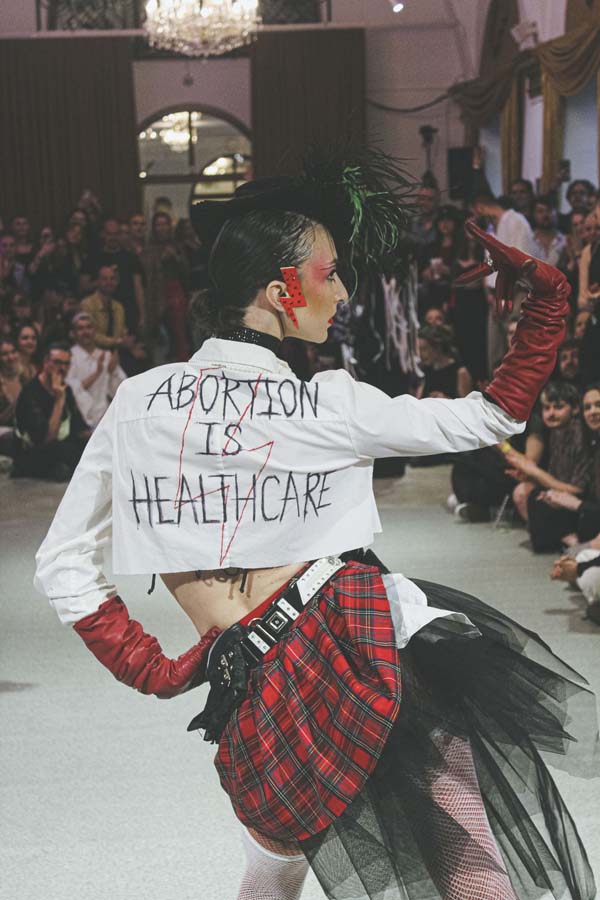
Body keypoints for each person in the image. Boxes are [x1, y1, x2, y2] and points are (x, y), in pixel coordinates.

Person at [34, 155, 597, 900]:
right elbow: (492, 414)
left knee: (274, 874)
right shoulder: (328, 402)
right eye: (329, 274)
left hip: (252, 688)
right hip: (362, 653)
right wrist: (547, 306)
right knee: (465, 871)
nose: (343, 292)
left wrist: (152, 667)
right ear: (280, 291)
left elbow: (62, 562)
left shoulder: (137, 403)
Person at [506, 381, 593, 551]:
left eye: (558, 407)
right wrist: (530, 476)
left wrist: (535, 473)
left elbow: (578, 490)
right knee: (523, 491)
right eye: (546, 408)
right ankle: (557, 537)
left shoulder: (580, 436)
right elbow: (554, 478)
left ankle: (568, 539)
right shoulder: (556, 432)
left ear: (575, 409)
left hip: (583, 501)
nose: (551, 413)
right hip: (563, 492)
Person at [14, 342, 90, 480]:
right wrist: (59, 400)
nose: (62, 368)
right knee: (61, 453)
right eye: (57, 362)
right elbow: (47, 438)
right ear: (46, 362)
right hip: (35, 452)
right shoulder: (30, 392)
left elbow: (80, 427)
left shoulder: (66, 389)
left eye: (66, 364)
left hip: (63, 447)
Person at [66, 311, 126, 429]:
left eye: (89, 327)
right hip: (79, 421)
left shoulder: (106, 355)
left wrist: (112, 372)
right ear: (73, 333)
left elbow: (121, 390)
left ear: (95, 331)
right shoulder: (69, 357)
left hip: (105, 418)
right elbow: (70, 391)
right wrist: (97, 374)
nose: (85, 332)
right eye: (81, 328)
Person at [531, 194, 566, 266]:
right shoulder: (529, 239)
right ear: (534, 215)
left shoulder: (564, 241)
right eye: (540, 211)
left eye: (549, 210)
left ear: (556, 213)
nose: (545, 215)